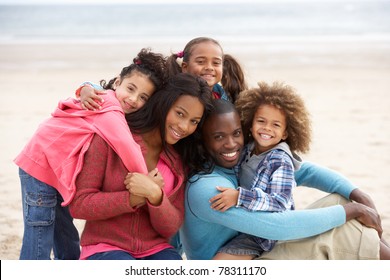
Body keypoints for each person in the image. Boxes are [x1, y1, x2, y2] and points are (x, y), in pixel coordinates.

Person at [180, 98, 390, 260]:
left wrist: (357, 195)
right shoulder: (207, 187)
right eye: (218, 137)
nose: (231, 144)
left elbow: (305, 172)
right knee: (345, 230)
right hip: (240, 262)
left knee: (340, 200)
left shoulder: (240, 159)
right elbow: (276, 226)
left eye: (236, 133)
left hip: (256, 247)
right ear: (202, 141)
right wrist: (353, 211)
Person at [14, 48, 167, 260]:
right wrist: (146, 179)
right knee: (40, 228)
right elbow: (126, 146)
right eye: (130, 88)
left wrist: (86, 87)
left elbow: (91, 86)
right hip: (39, 167)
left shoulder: (103, 97)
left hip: (55, 170)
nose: (133, 99)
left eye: (143, 97)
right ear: (117, 82)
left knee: (64, 228)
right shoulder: (109, 108)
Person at [68, 73, 213, 260]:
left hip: (156, 249)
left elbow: (170, 227)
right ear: (163, 103)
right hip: (104, 247)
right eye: (180, 114)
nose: (184, 127)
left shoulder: (177, 159)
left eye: (194, 121)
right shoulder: (112, 137)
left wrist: (155, 195)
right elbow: (80, 205)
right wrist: (132, 199)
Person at [211, 81, 312, 260]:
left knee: (221, 261)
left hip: (265, 233)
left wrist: (239, 197)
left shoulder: (280, 160)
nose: (267, 128)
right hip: (247, 222)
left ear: (285, 133)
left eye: (276, 125)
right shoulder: (248, 148)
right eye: (261, 121)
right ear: (250, 124)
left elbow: (280, 202)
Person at [79, 37, 247, 110]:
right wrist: (87, 88)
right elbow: (118, 88)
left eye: (216, 63)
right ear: (185, 67)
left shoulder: (222, 96)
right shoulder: (172, 88)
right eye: (201, 62)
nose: (209, 67)